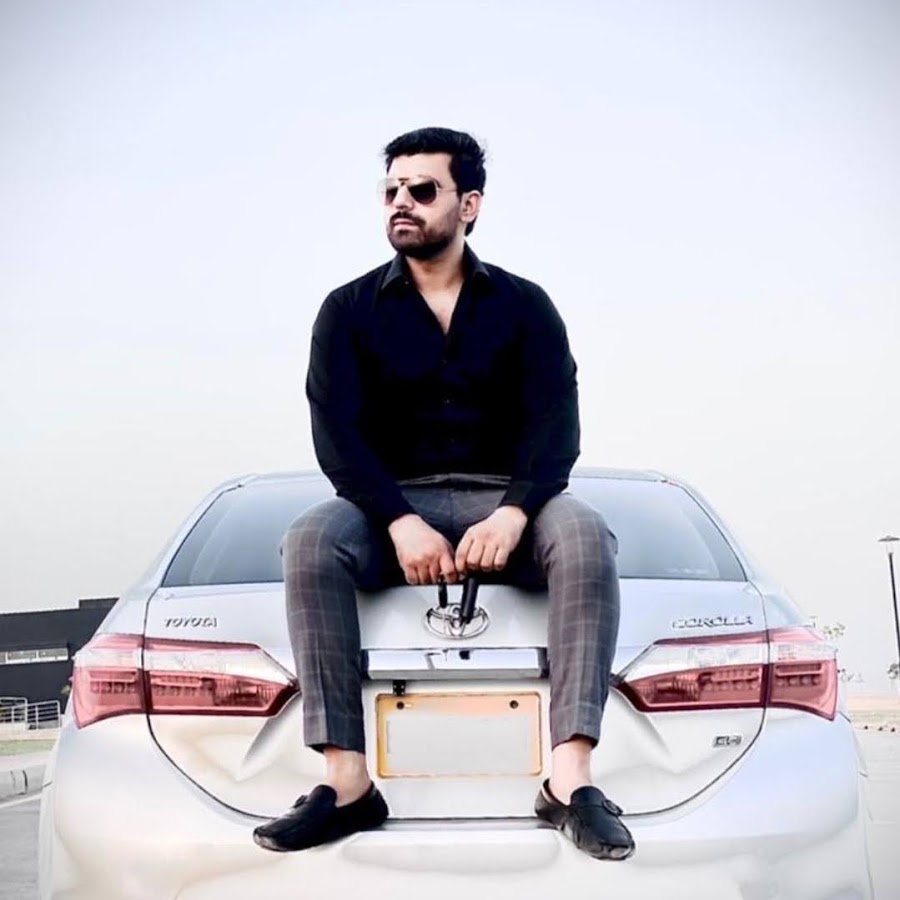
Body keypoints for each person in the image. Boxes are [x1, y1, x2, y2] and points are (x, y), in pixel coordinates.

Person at [252, 127, 634, 861]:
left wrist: (515, 511)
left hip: (510, 505)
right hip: (391, 509)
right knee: (310, 536)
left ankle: (570, 782)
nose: (402, 202)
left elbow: (557, 427)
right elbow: (338, 437)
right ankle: (347, 786)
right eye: (391, 190)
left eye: (422, 189)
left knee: (584, 531)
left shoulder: (525, 306)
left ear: (469, 204)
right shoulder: (347, 310)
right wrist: (398, 521)